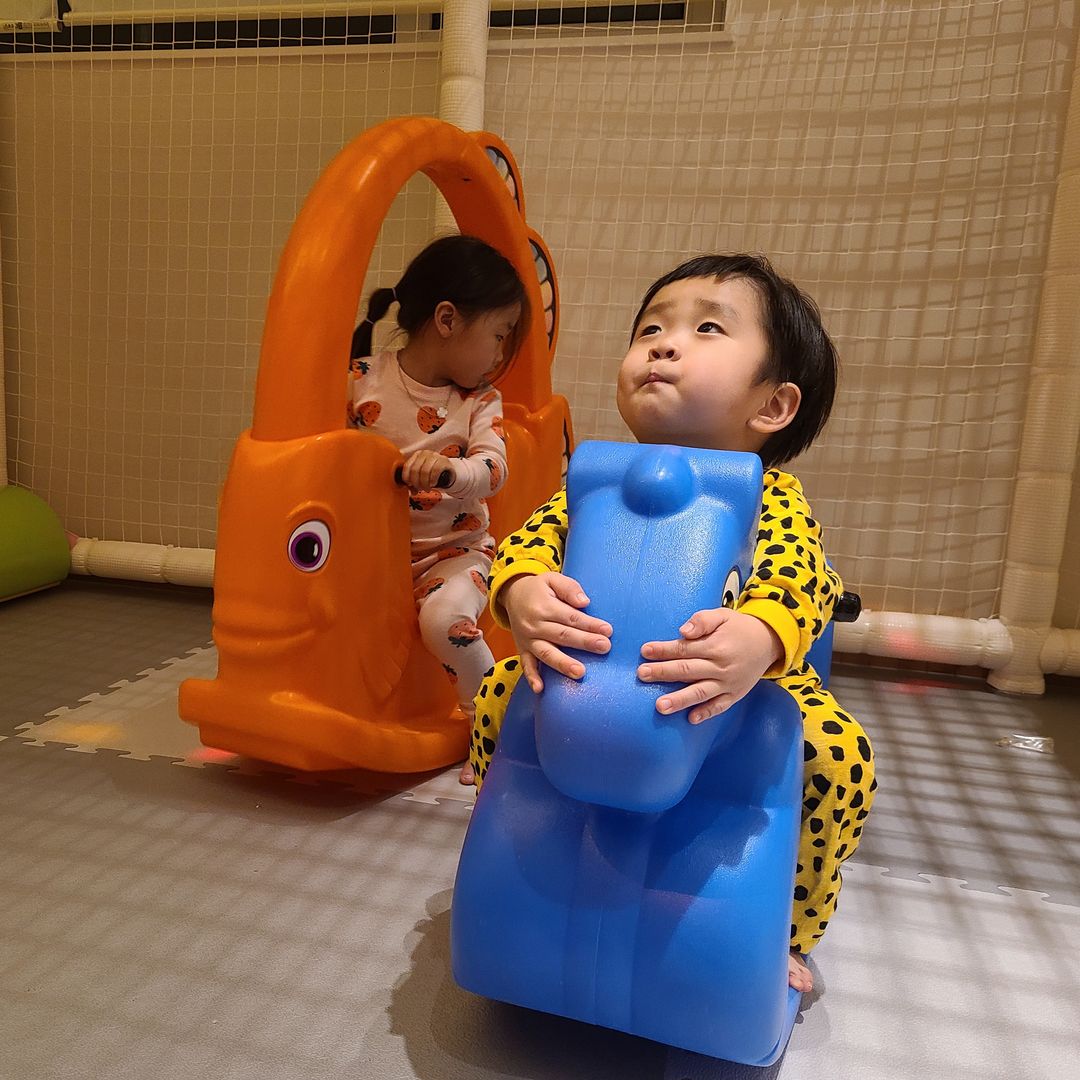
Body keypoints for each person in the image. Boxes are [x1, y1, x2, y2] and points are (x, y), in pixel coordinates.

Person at [469, 253, 876, 992]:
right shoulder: (595, 482)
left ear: (773, 406)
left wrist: (759, 636)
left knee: (837, 755)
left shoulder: (771, 497)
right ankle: (505, 842)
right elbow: (529, 543)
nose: (662, 345)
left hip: (737, 694)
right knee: (499, 693)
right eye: (650, 329)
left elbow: (802, 578)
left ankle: (789, 927)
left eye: (707, 328)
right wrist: (523, 593)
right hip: (592, 677)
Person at [349, 234, 528, 785]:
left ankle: (493, 730)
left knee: (445, 621)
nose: (500, 353)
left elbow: (494, 469)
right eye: (498, 334)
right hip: (370, 558)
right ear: (447, 319)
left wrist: (450, 472)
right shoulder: (359, 380)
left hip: (452, 555)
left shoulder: (478, 401)